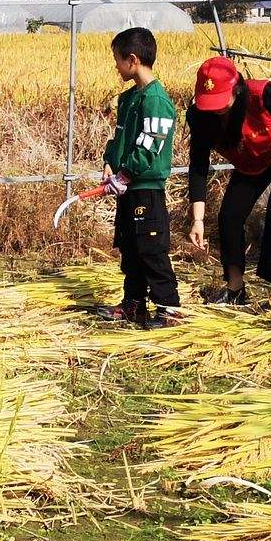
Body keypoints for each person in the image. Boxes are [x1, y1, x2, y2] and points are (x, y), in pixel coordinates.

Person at [185, 55, 271, 308]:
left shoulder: (264, 95)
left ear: (237, 90)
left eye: (220, 103)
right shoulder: (201, 117)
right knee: (229, 216)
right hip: (251, 162)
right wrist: (198, 220)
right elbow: (199, 166)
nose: (215, 110)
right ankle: (235, 288)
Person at [100, 26, 181, 327]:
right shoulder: (129, 98)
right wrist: (111, 163)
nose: (115, 65)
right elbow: (119, 138)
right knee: (130, 248)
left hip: (145, 187)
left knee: (151, 249)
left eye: (117, 59)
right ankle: (134, 303)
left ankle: (168, 308)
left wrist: (126, 173)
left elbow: (149, 146)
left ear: (132, 60)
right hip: (126, 186)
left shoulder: (156, 100)